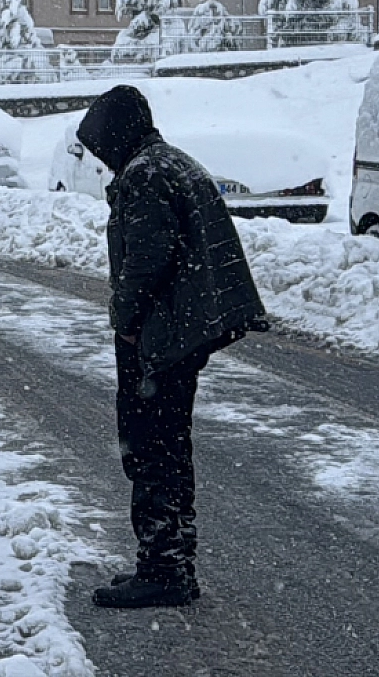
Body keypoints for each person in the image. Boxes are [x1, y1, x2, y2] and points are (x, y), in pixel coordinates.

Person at [76, 84, 267, 609]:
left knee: (151, 447)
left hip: (165, 337)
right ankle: (171, 563)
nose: (102, 162)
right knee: (168, 447)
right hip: (184, 332)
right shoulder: (168, 162)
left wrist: (127, 322)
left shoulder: (146, 175)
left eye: (101, 149)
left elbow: (146, 260)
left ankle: (163, 570)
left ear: (116, 136)